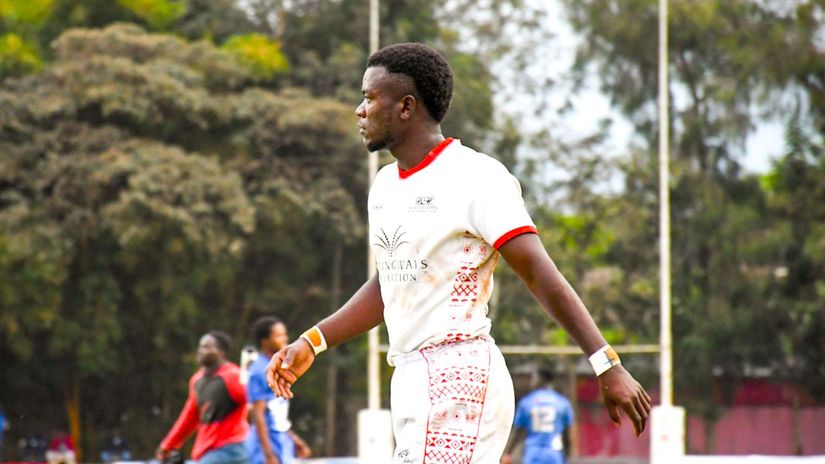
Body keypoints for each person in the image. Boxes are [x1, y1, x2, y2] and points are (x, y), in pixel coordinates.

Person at [266, 42, 651, 463]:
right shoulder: (385, 187)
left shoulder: (476, 177)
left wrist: (606, 363)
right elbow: (391, 285)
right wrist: (313, 341)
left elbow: (539, 273)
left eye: (370, 97)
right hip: (409, 377)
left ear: (406, 107)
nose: (360, 110)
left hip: (459, 373)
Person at [156, 331, 250, 464]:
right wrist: (168, 445)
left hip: (232, 448)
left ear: (221, 352)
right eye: (200, 347)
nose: (201, 351)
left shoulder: (233, 376)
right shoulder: (197, 380)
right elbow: (189, 418)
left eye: (207, 347)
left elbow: (255, 400)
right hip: (208, 449)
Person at [246, 317, 312, 464]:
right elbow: (258, 414)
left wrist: (293, 438)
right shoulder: (259, 371)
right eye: (279, 335)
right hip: (265, 448)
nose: (285, 339)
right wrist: (268, 455)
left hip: (281, 443)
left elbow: (276, 413)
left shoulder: (278, 367)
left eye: (284, 334)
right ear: (264, 341)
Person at [501, 367, 573, 464]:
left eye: (533, 379)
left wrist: (508, 453)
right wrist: (567, 456)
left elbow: (518, 432)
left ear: (540, 380)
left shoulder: (527, 402)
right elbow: (567, 436)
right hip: (554, 453)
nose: (531, 383)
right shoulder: (562, 403)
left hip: (533, 453)